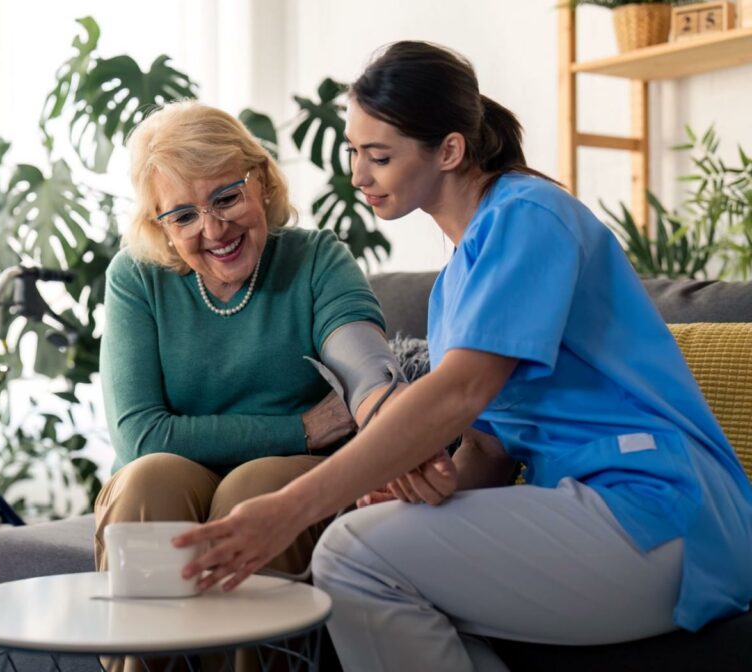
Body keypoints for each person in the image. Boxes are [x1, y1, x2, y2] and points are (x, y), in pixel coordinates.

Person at [174, 41, 752, 672]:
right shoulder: (459, 279)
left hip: (662, 511)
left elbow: (458, 393)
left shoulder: (527, 215)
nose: (358, 176)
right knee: (375, 548)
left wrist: (289, 509)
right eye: (352, 152)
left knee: (351, 554)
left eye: (379, 156)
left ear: (449, 150)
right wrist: (426, 491)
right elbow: (487, 449)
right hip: (590, 506)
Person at [95, 100, 441, 584]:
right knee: (151, 477)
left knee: (255, 487)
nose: (214, 230)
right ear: (160, 226)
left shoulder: (317, 259)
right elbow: (141, 437)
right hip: (176, 473)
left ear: (260, 179)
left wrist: (396, 425)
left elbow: (364, 367)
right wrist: (300, 428)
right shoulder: (136, 278)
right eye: (183, 216)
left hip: (282, 476)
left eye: (226, 198)